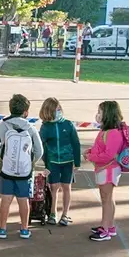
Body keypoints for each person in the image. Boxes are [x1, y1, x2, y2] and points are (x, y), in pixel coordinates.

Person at [0, 94, 44, 239]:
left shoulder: (2, 126)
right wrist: (30, 162)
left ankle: (2, 229)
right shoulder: (31, 128)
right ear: (26, 112)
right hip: (24, 171)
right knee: (23, 200)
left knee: (6, 199)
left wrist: (3, 158)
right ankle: (24, 229)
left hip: (7, 170)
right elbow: (39, 150)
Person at [85, 101, 127, 242]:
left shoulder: (113, 133)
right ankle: (109, 226)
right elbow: (101, 148)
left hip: (108, 169)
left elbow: (108, 155)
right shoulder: (106, 131)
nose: (97, 115)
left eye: (100, 112)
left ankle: (105, 229)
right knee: (108, 198)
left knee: (106, 199)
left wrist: (91, 157)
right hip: (105, 168)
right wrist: (91, 152)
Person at [38, 97, 81, 226]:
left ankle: (65, 214)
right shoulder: (45, 127)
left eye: (59, 109)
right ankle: (52, 213)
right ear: (48, 111)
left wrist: (77, 162)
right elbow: (42, 147)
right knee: (54, 187)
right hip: (53, 163)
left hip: (68, 161)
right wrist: (46, 163)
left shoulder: (68, 124)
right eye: (55, 110)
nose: (58, 111)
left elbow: (76, 143)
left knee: (66, 187)